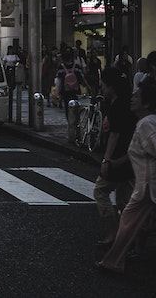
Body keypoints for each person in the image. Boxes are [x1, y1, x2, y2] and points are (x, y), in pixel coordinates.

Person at [96, 76, 156, 274]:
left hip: (148, 186)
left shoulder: (146, 124)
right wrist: (113, 162)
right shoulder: (145, 122)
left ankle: (113, 261)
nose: (132, 99)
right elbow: (135, 153)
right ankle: (115, 260)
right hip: (146, 187)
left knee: (127, 222)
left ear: (146, 103)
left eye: (137, 97)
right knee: (131, 222)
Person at [93, 67, 136, 247]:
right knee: (124, 200)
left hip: (118, 159)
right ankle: (129, 237)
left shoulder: (118, 106)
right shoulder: (129, 103)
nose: (102, 89)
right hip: (129, 159)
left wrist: (106, 160)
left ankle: (114, 232)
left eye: (104, 86)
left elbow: (115, 135)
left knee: (100, 191)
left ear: (112, 87)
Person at [55, 47, 87, 118]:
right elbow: (82, 77)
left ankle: (69, 120)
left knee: (67, 106)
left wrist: (58, 92)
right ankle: (76, 119)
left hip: (65, 90)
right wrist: (86, 86)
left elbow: (58, 81)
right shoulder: (76, 67)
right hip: (75, 89)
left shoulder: (61, 67)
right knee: (76, 105)